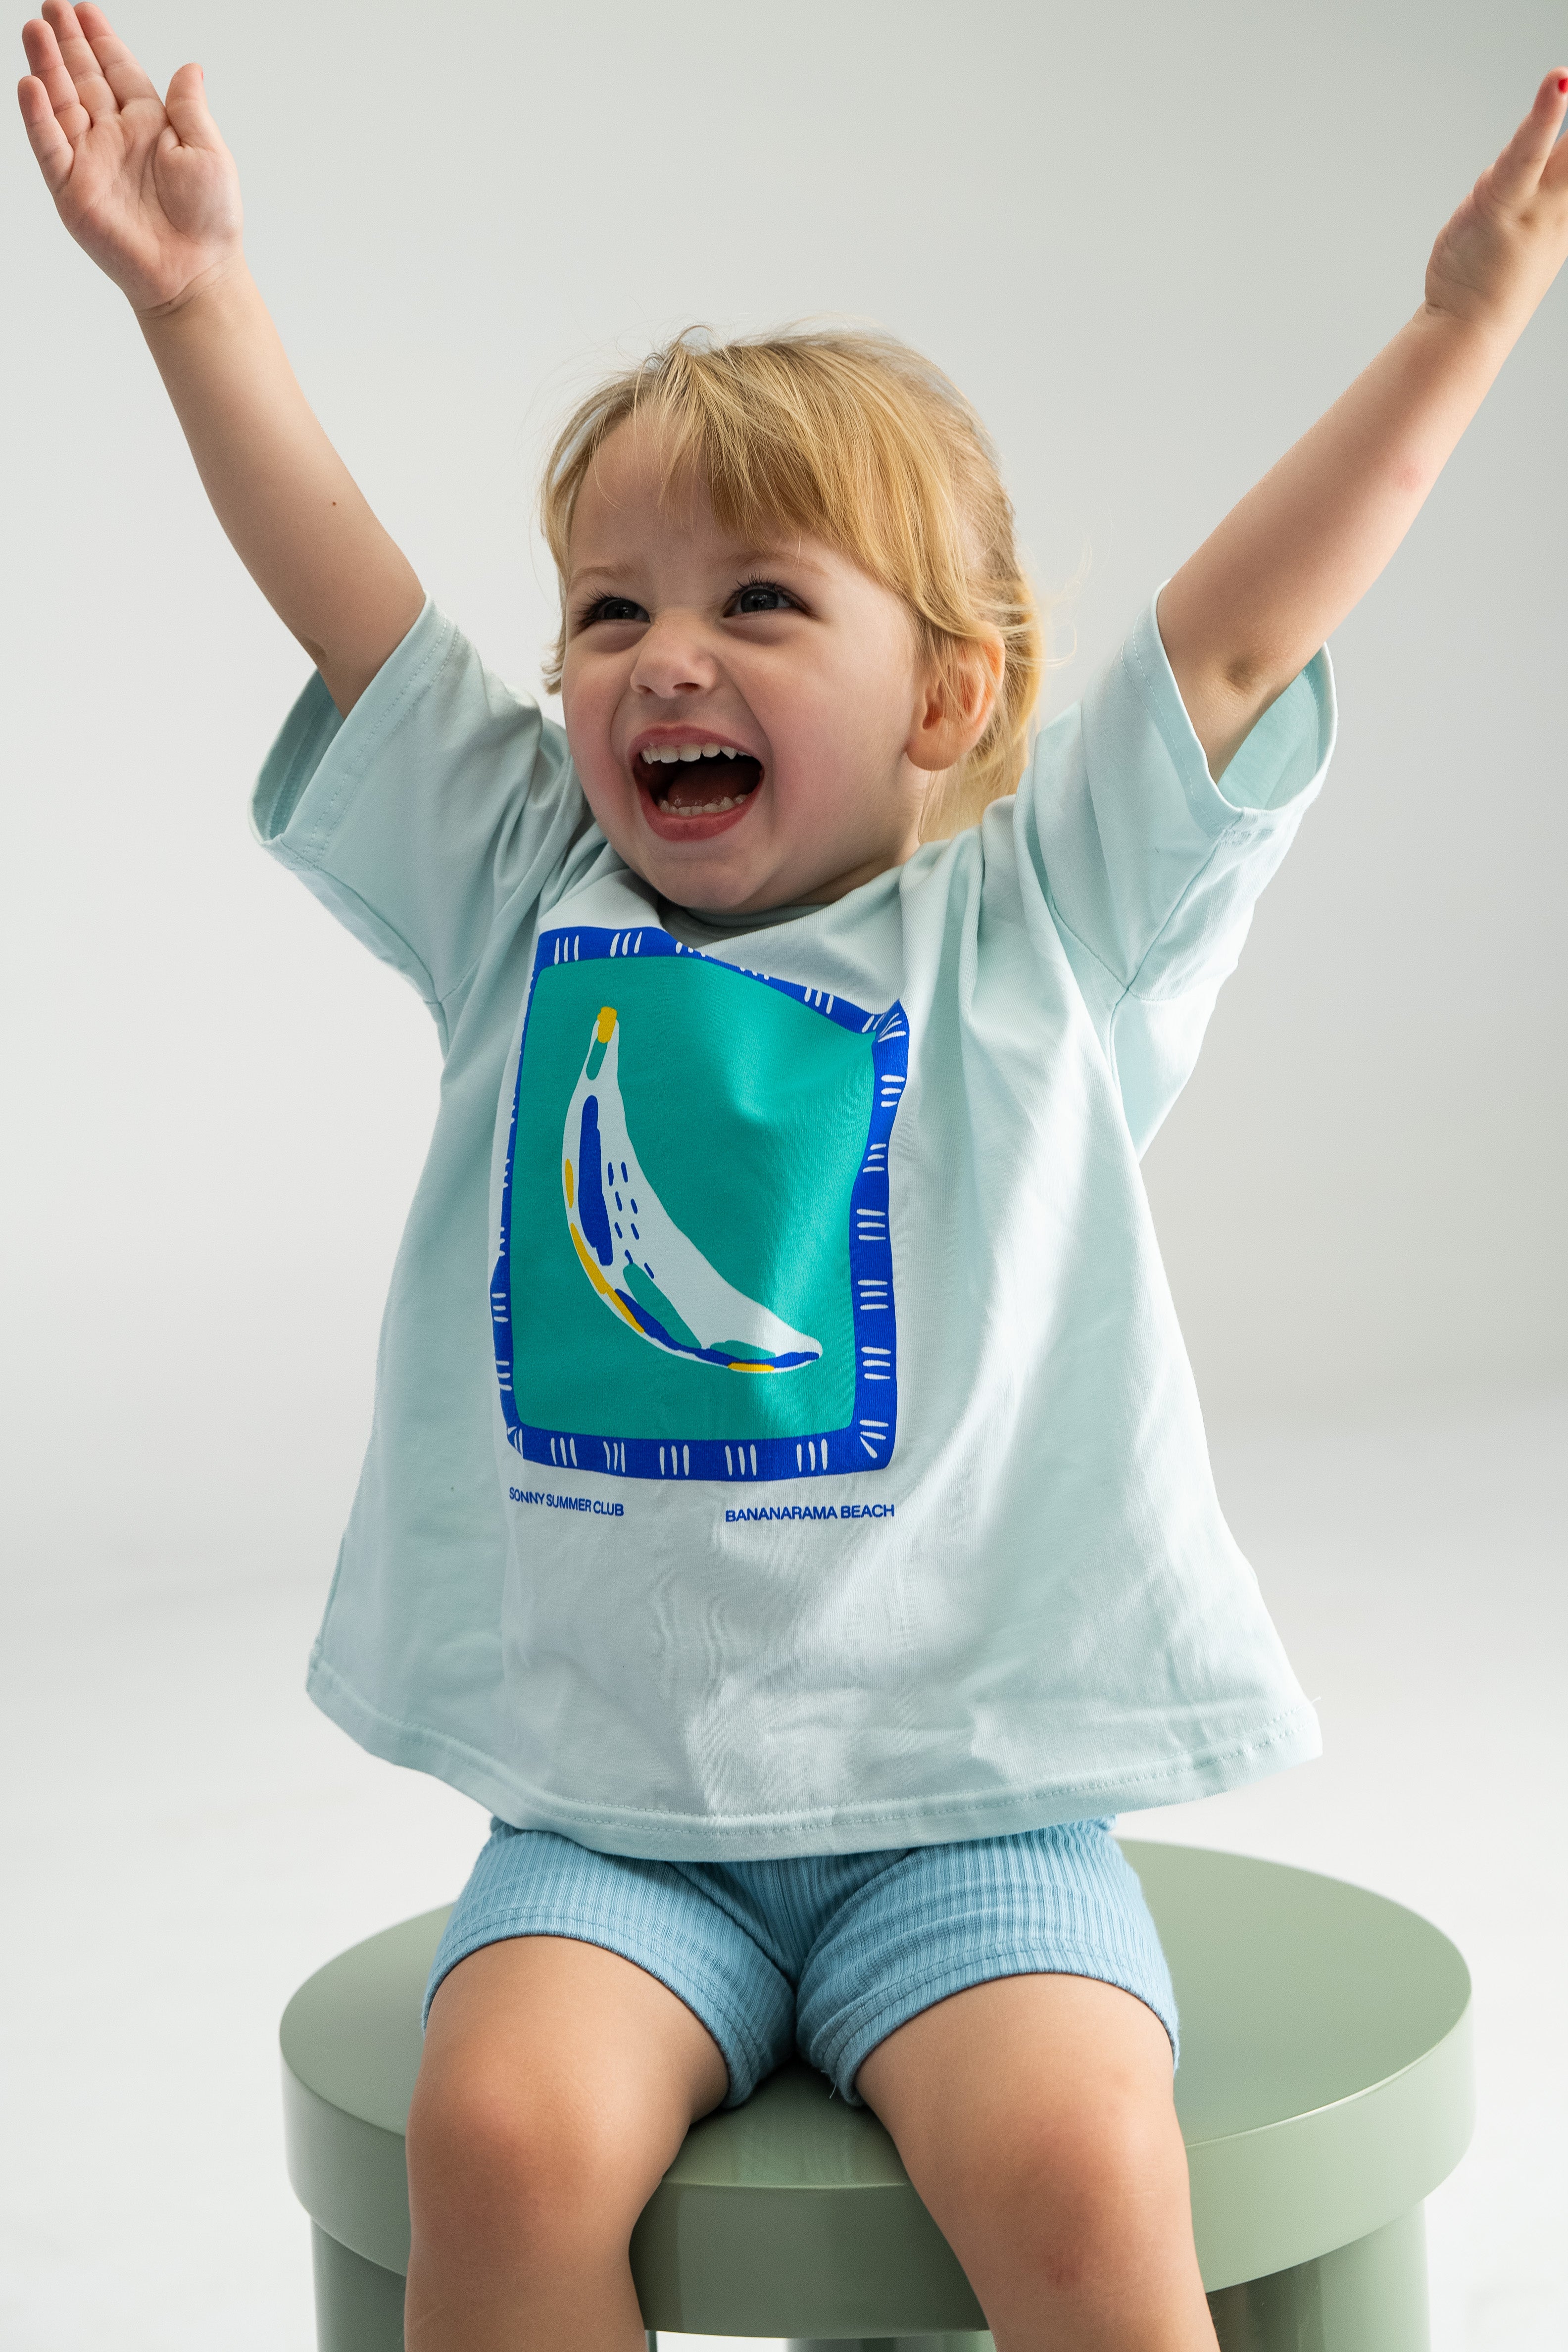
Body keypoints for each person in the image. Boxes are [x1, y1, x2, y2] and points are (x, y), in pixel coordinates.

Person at [19, 5, 1568, 2345]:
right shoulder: (519, 884)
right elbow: (347, 593)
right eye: (611, 607)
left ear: (948, 697)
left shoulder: (1032, 922)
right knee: (499, 2139)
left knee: (1068, 2160)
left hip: (977, 1804)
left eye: (762, 601)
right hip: (612, 1824)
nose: (665, 658)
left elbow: (1242, 638)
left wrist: (1457, 330)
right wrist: (194, 301)